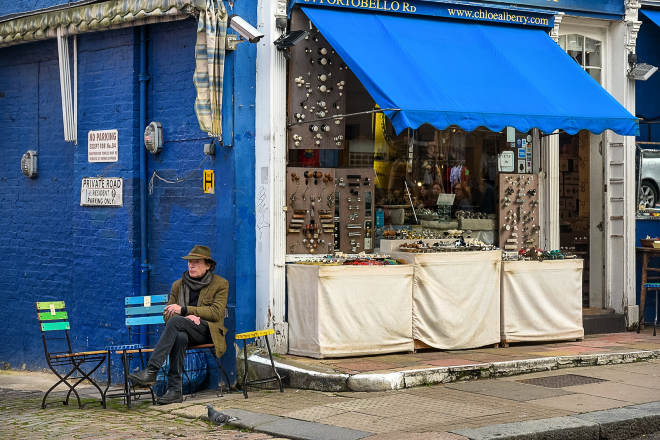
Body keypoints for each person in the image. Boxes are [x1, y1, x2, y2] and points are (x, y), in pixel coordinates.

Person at [128, 245, 228, 405]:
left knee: (177, 321)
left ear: (208, 265)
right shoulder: (178, 285)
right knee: (179, 336)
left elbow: (216, 313)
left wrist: (184, 310)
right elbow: (167, 316)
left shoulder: (220, 284)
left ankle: (152, 370)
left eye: (196, 262)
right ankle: (175, 391)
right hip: (185, 331)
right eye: (189, 262)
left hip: (207, 330)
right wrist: (187, 316)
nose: (191, 265)